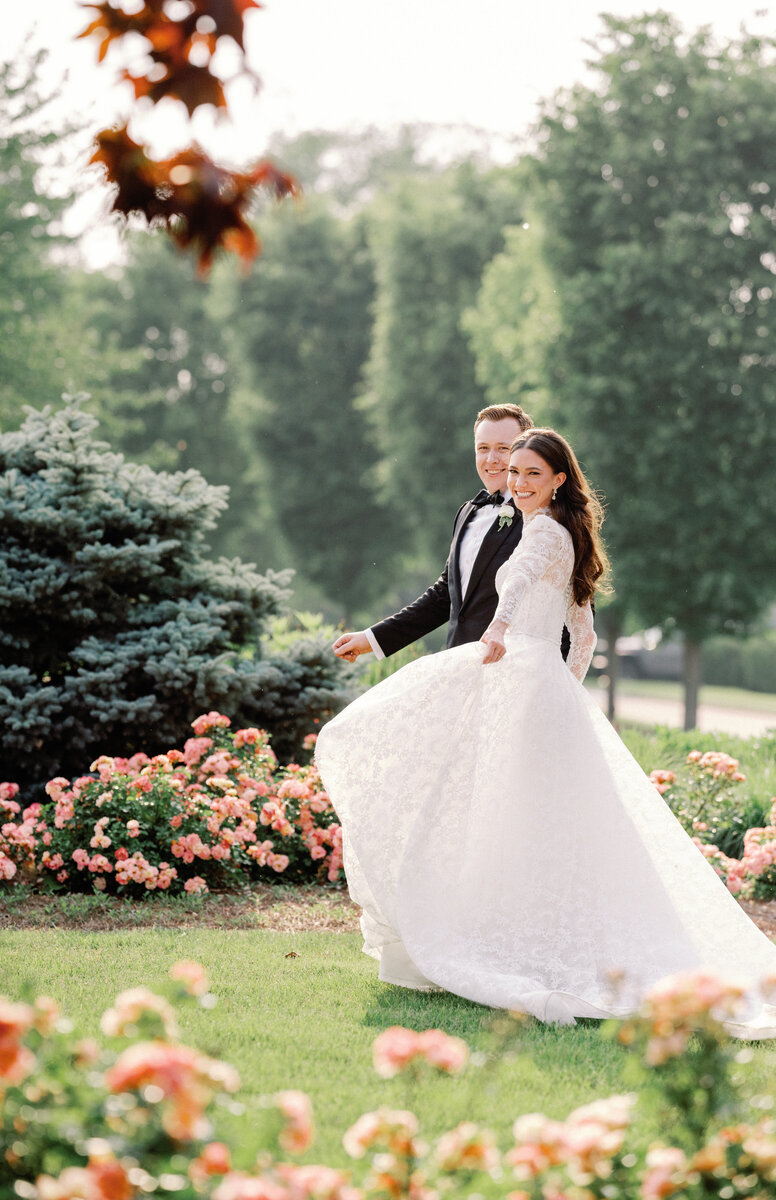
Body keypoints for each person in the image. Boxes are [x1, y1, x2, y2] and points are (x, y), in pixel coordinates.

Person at [315, 429, 776, 1035]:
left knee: (450, 785)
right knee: (524, 823)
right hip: (537, 685)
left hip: (510, 671)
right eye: (513, 472)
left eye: (532, 473)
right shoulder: (566, 532)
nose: (517, 481)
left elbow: (522, 583)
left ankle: (494, 944)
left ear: (559, 478)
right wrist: (565, 690)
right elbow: (580, 631)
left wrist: (502, 634)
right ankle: (497, 930)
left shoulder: (543, 531)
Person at [332, 403, 536, 663]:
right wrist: (372, 638)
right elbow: (444, 597)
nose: (491, 459)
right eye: (483, 448)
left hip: (513, 669)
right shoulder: (467, 513)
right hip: (459, 663)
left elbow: (565, 603)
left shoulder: (539, 518)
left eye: (503, 449)